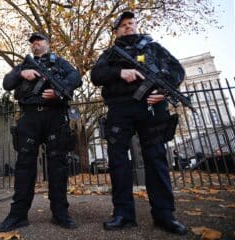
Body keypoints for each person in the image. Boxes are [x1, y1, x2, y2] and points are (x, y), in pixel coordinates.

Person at [90, 12, 187, 235]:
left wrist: (164, 90)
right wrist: (120, 72)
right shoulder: (110, 54)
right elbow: (96, 75)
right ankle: (123, 214)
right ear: (116, 31)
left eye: (131, 23)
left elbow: (177, 70)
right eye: (123, 25)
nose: (128, 27)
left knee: (156, 158)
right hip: (120, 108)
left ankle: (164, 214)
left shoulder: (153, 48)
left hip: (152, 107)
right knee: (118, 161)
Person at [0, 32, 82, 232]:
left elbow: (76, 78)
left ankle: (60, 213)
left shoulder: (60, 63)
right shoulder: (24, 65)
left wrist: (60, 91)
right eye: (33, 42)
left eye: (40, 40)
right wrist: (20, 74)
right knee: (24, 166)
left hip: (55, 117)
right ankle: (18, 215)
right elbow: (7, 84)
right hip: (29, 117)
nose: (36, 43)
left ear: (48, 43)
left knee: (58, 167)